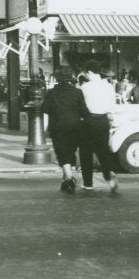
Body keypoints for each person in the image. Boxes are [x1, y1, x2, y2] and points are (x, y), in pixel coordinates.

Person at [42, 66, 87, 194]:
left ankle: (69, 177)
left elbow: (44, 109)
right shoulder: (77, 92)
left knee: (62, 152)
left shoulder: (52, 92)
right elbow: (83, 111)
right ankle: (65, 181)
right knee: (70, 151)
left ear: (58, 79)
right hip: (74, 126)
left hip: (57, 126)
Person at [79, 60, 118, 193]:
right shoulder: (108, 86)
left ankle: (88, 183)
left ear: (89, 72)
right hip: (103, 120)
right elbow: (112, 106)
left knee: (86, 152)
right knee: (103, 151)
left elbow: (81, 106)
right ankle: (109, 175)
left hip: (89, 121)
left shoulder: (84, 87)